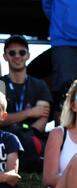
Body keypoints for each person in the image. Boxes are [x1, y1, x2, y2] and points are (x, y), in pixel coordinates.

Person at [0, 35, 52, 173]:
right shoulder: (1, 84)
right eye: (12, 53)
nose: (17, 56)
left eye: (21, 52)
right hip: (4, 137)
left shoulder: (39, 85)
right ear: (5, 56)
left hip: (31, 136)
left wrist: (21, 130)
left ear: (28, 55)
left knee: (28, 139)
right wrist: (29, 113)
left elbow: (42, 118)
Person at [0, 92, 23, 188]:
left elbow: (12, 177)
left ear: (3, 116)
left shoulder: (10, 139)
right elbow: (6, 176)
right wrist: (3, 176)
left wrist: (6, 177)